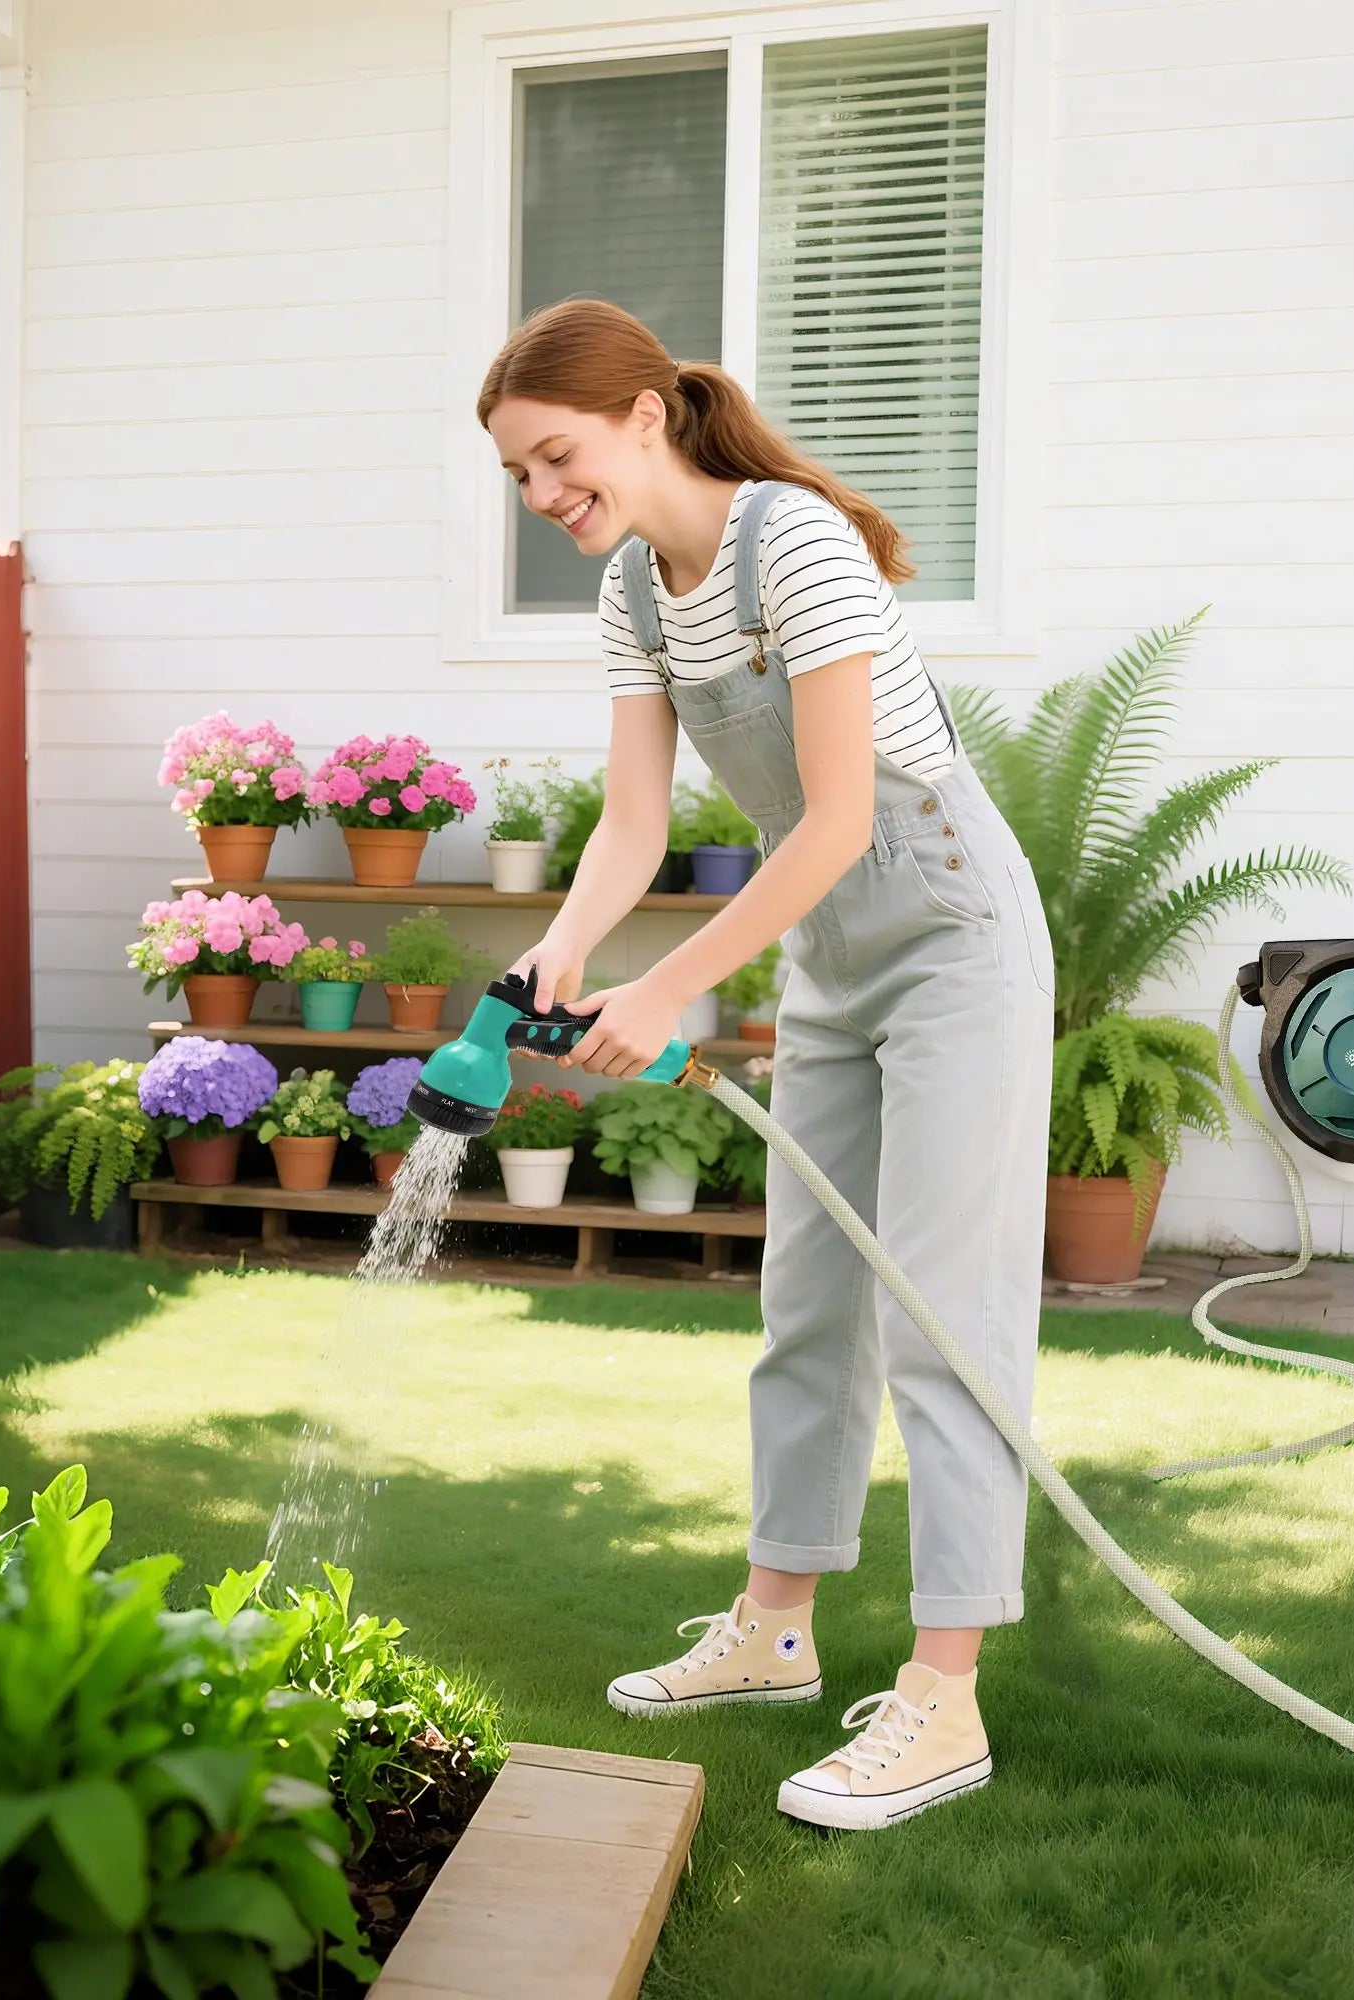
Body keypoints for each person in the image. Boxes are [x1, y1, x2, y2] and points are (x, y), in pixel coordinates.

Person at [479, 299, 1054, 1834]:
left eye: (558, 456)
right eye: (523, 476)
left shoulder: (790, 543)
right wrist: (568, 946)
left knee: (941, 1307)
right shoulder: (633, 593)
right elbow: (635, 821)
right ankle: (776, 1628)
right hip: (832, 966)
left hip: (948, 937)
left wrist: (669, 984)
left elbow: (842, 819)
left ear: (646, 417)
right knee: (805, 1301)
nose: (544, 495)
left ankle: (944, 1696)